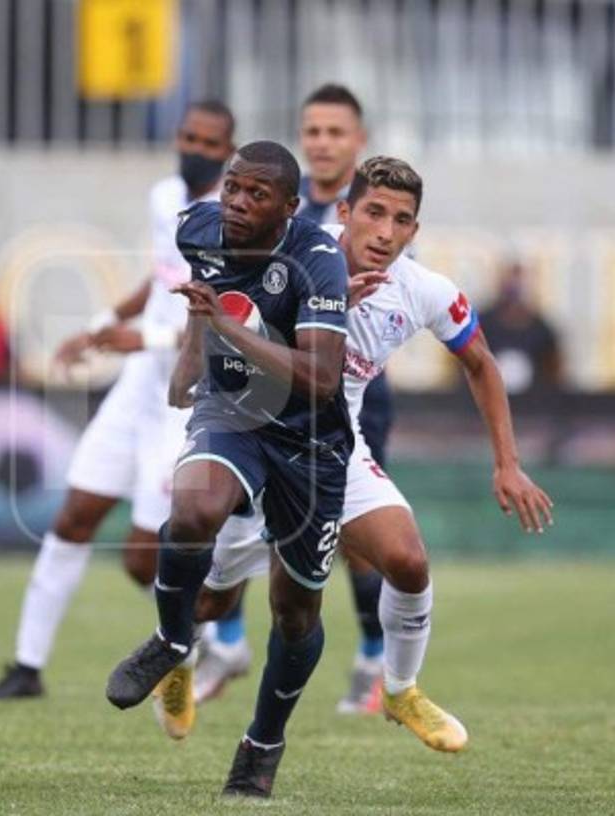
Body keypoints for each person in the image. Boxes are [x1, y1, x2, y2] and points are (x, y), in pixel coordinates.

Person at [171, 156, 554, 755]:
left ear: (414, 232)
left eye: (401, 220)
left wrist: (507, 462)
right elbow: (221, 307)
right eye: (373, 212)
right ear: (345, 213)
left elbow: (480, 362)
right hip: (256, 435)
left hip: (330, 450)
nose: (385, 231)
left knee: (407, 561)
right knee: (214, 598)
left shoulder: (425, 291)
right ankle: (176, 652)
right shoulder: (296, 253)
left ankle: (399, 690)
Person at [105, 141, 353, 799]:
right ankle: (171, 638)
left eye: (255, 194)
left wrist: (225, 329)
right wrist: (192, 359)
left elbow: (324, 380)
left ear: (290, 207)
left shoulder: (318, 261)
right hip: (233, 412)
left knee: (295, 613)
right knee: (190, 510)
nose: (237, 204)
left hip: (310, 442)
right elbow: (203, 300)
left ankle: (262, 743)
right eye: (233, 188)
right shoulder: (197, 229)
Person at [0, 101, 237, 704]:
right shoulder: (163, 195)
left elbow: (226, 319)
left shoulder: (235, 217)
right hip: (138, 387)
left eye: (209, 141)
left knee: (144, 561)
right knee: (73, 519)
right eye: (188, 135)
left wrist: (139, 337)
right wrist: (102, 323)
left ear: (228, 150)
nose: (194, 147)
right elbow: (162, 279)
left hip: (189, 396)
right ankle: (27, 666)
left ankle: (212, 642)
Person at [196, 83, 396, 715]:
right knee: (235, 516)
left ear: (359, 142)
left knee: (351, 537)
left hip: (344, 396)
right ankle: (226, 641)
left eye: (336, 132)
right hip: (260, 391)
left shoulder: (379, 210)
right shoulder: (272, 202)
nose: (322, 142)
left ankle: (372, 659)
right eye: (313, 131)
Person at [479, 260, 564, 393]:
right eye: (510, 278)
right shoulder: (482, 324)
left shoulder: (542, 329)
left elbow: (554, 370)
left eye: (519, 279)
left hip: (533, 406)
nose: (515, 286)